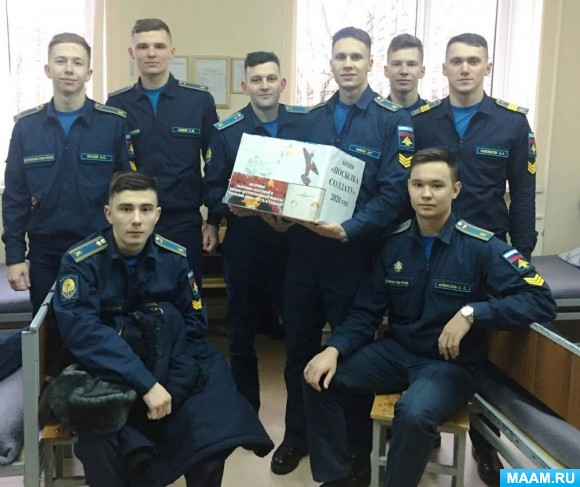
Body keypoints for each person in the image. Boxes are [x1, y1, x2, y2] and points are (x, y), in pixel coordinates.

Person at [301, 147, 557, 487]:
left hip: (450, 365)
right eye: (418, 184)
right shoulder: (393, 244)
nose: (426, 194)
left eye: (437, 185)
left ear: (455, 190)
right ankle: (340, 477)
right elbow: (365, 311)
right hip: (397, 353)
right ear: (408, 188)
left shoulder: (482, 247)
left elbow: (541, 300)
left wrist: (473, 312)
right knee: (318, 377)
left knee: (414, 413)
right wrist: (333, 349)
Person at [52, 171, 273, 487]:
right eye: (126, 209)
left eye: (145, 209)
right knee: (100, 433)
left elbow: (194, 326)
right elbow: (84, 334)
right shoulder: (81, 262)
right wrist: (146, 384)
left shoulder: (174, 257)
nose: (136, 220)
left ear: (157, 215)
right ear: (109, 213)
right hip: (108, 368)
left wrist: (170, 385)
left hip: (171, 360)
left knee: (213, 424)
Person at [268, 26, 415, 480]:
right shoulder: (310, 119)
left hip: (356, 256)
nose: (347, 64)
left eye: (356, 56)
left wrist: (349, 229)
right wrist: (279, 214)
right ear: (330, 63)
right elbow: (292, 181)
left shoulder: (392, 121)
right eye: (340, 56)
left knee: (349, 356)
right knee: (298, 349)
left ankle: (353, 448)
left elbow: (393, 194)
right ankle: (297, 435)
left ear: (370, 63)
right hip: (304, 255)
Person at [412, 33, 538, 484]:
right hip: (431, 247)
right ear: (443, 68)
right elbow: (409, 186)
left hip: (486, 252)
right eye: (456, 61)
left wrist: (522, 254)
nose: (464, 69)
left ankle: (486, 445)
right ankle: (424, 425)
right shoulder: (422, 120)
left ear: (487, 67)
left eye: (473, 61)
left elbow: (523, 194)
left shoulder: (511, 122)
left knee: (485, 350)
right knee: (424, 332)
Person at [203, 51, 306, 412]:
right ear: (245, 86)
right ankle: (245, 416)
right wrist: (233, 206)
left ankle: (298, 426)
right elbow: (211, 190)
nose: (265, 86)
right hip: (246, 245)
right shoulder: (227, 133)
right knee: (241, 337)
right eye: (257, 80)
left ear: (282, 83)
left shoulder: (306, 125)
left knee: (299, 336)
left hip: (296, 244)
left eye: (271, 78)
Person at [2, 32, 133, 315]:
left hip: (100, 249)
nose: (69, 69)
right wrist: (14, 256)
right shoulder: (26, 127)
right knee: (47, 328)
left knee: (100, 326)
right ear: (48, 69)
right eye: (61, 61)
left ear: (89, 73)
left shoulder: (112, 124)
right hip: (45, 253)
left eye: (77, 62)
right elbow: (14, 197)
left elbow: (127, 191)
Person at [107, 18, 218, 288]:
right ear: (132, 52)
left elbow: (215, 164)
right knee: (134, 294)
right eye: (143, 46)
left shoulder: (198, 100)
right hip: (135, 221)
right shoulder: (117, 104)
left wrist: (214, 221)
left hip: (184, 220)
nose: (151, 53)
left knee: (187, 297)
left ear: (172, 51)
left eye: (159, 46)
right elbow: (113, 168)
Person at [383, 33, 426, 112]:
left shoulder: (435, 116)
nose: (404, 71)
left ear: (422, 71)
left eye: (411, 64)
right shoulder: (373, 116)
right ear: (386, 71)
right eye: (397, 64)